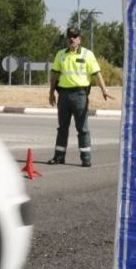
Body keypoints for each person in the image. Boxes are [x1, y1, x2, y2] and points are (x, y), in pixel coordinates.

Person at [46, 26, 113, 167]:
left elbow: (97, 73)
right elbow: (54, 75)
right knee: (62, 127)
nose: (72, 39)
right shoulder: (61, 55)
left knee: (82, 128)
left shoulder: (87, 55)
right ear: (66, 39)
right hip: (63, 94)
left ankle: (86, 158)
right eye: (69, 36)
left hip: (80, 95)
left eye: (75, 36)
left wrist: (104, 90)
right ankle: (59, 156)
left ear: (79, 39)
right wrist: (51, 92)